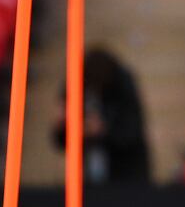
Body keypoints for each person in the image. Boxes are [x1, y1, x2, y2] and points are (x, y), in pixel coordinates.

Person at [52, 47, 151, 184]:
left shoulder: (122, 87)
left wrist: (103, 131)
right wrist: (63, 126)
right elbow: (61, 141)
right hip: (87, 179)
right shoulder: (76, 85)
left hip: (126, 179)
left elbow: (131, 133)